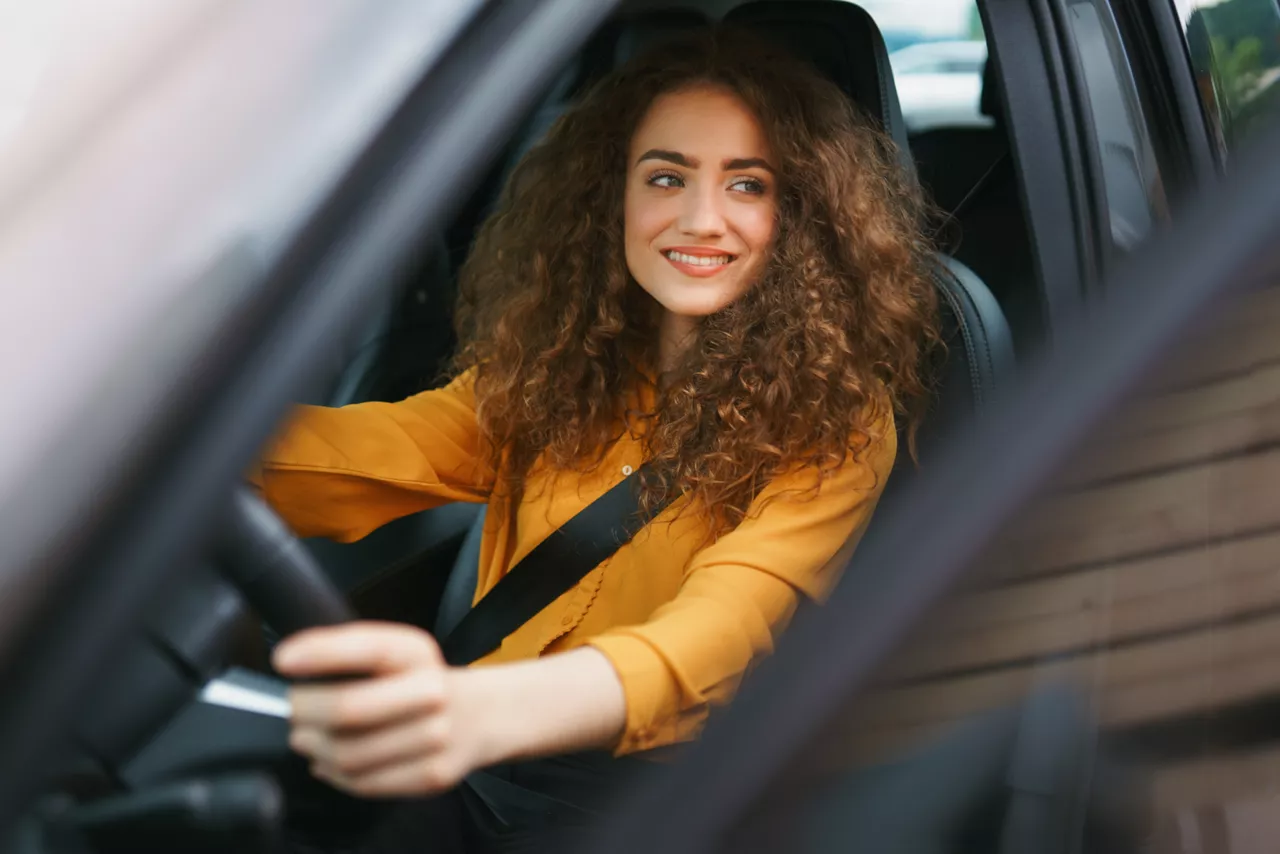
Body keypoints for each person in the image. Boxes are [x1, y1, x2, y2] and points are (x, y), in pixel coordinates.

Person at [257, 27, 939, 853]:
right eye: (666, 176)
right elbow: (361, 452)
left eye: (748, 185)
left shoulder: (839, 420)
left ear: (799, 215)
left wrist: (479, 712)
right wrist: (156, 461)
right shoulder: (556, 367)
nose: (700, 220)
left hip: (644, 807)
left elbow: (720, 633)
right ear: (609, 196)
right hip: (473, 773)